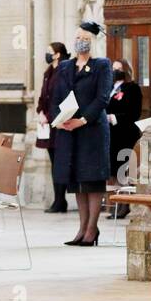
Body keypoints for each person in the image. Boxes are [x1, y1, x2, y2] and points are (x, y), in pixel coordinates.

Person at [50, 20, 112, 246]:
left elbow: (102, 98)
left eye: (85, 39)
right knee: (77, 180)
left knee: (92, 180)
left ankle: (92, 229)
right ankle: (81, 228)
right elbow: (56, 95)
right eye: (78, 38)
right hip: (69, 130)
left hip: (92, 130)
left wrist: (83, 120)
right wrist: (59, 118)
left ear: (93, 42)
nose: (80, 42)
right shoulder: (66, 66)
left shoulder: (102, 65)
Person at [106, 58, 143, 218]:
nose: (115, 71)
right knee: (113, 171)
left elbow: (134, 112)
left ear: (126, 70)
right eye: (113, 68)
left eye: (118, 68)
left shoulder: (132, 88)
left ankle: (124, 204)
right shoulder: (110, 88)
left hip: (125, 133)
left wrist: (114, 117)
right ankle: (115, 204)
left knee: (122, 170)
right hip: (110, 135)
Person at [36, 42, 70, 213]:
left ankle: (60, 200)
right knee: (53, 161)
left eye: (50, 52)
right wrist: (41, 112)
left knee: (60, 163)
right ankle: (58, 199)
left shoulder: (63, 71)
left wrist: (50, 116)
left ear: (57, 54)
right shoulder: (48, 72)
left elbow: (61, 97)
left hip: (59, 122)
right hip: (47, 123)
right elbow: (44, 96)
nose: (47, 55)